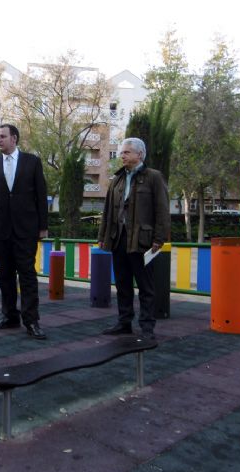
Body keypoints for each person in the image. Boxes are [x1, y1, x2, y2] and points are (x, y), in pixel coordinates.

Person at [97, 137, 170, 340]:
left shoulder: (154, 177)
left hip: (142, 241)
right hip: (118, 239)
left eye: (126, 152)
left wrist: (159, 239)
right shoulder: (117, 179)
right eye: (121, 152)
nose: (122, 156)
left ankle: (147, 327)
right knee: (122, 284)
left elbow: (162, 210)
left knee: (146, 287)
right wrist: (102, 236)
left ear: (140, 154)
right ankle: (124, 323)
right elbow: (107, 211)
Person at [0, 124, 49, 340]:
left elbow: (41, 195)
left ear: (14, 138)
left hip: (26, 230)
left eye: (3, 136)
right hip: (0, 230)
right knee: (5, 276)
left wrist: (43, 227)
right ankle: (9, 316)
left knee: (27, 275)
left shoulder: (32, 162)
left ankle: (31, 320)